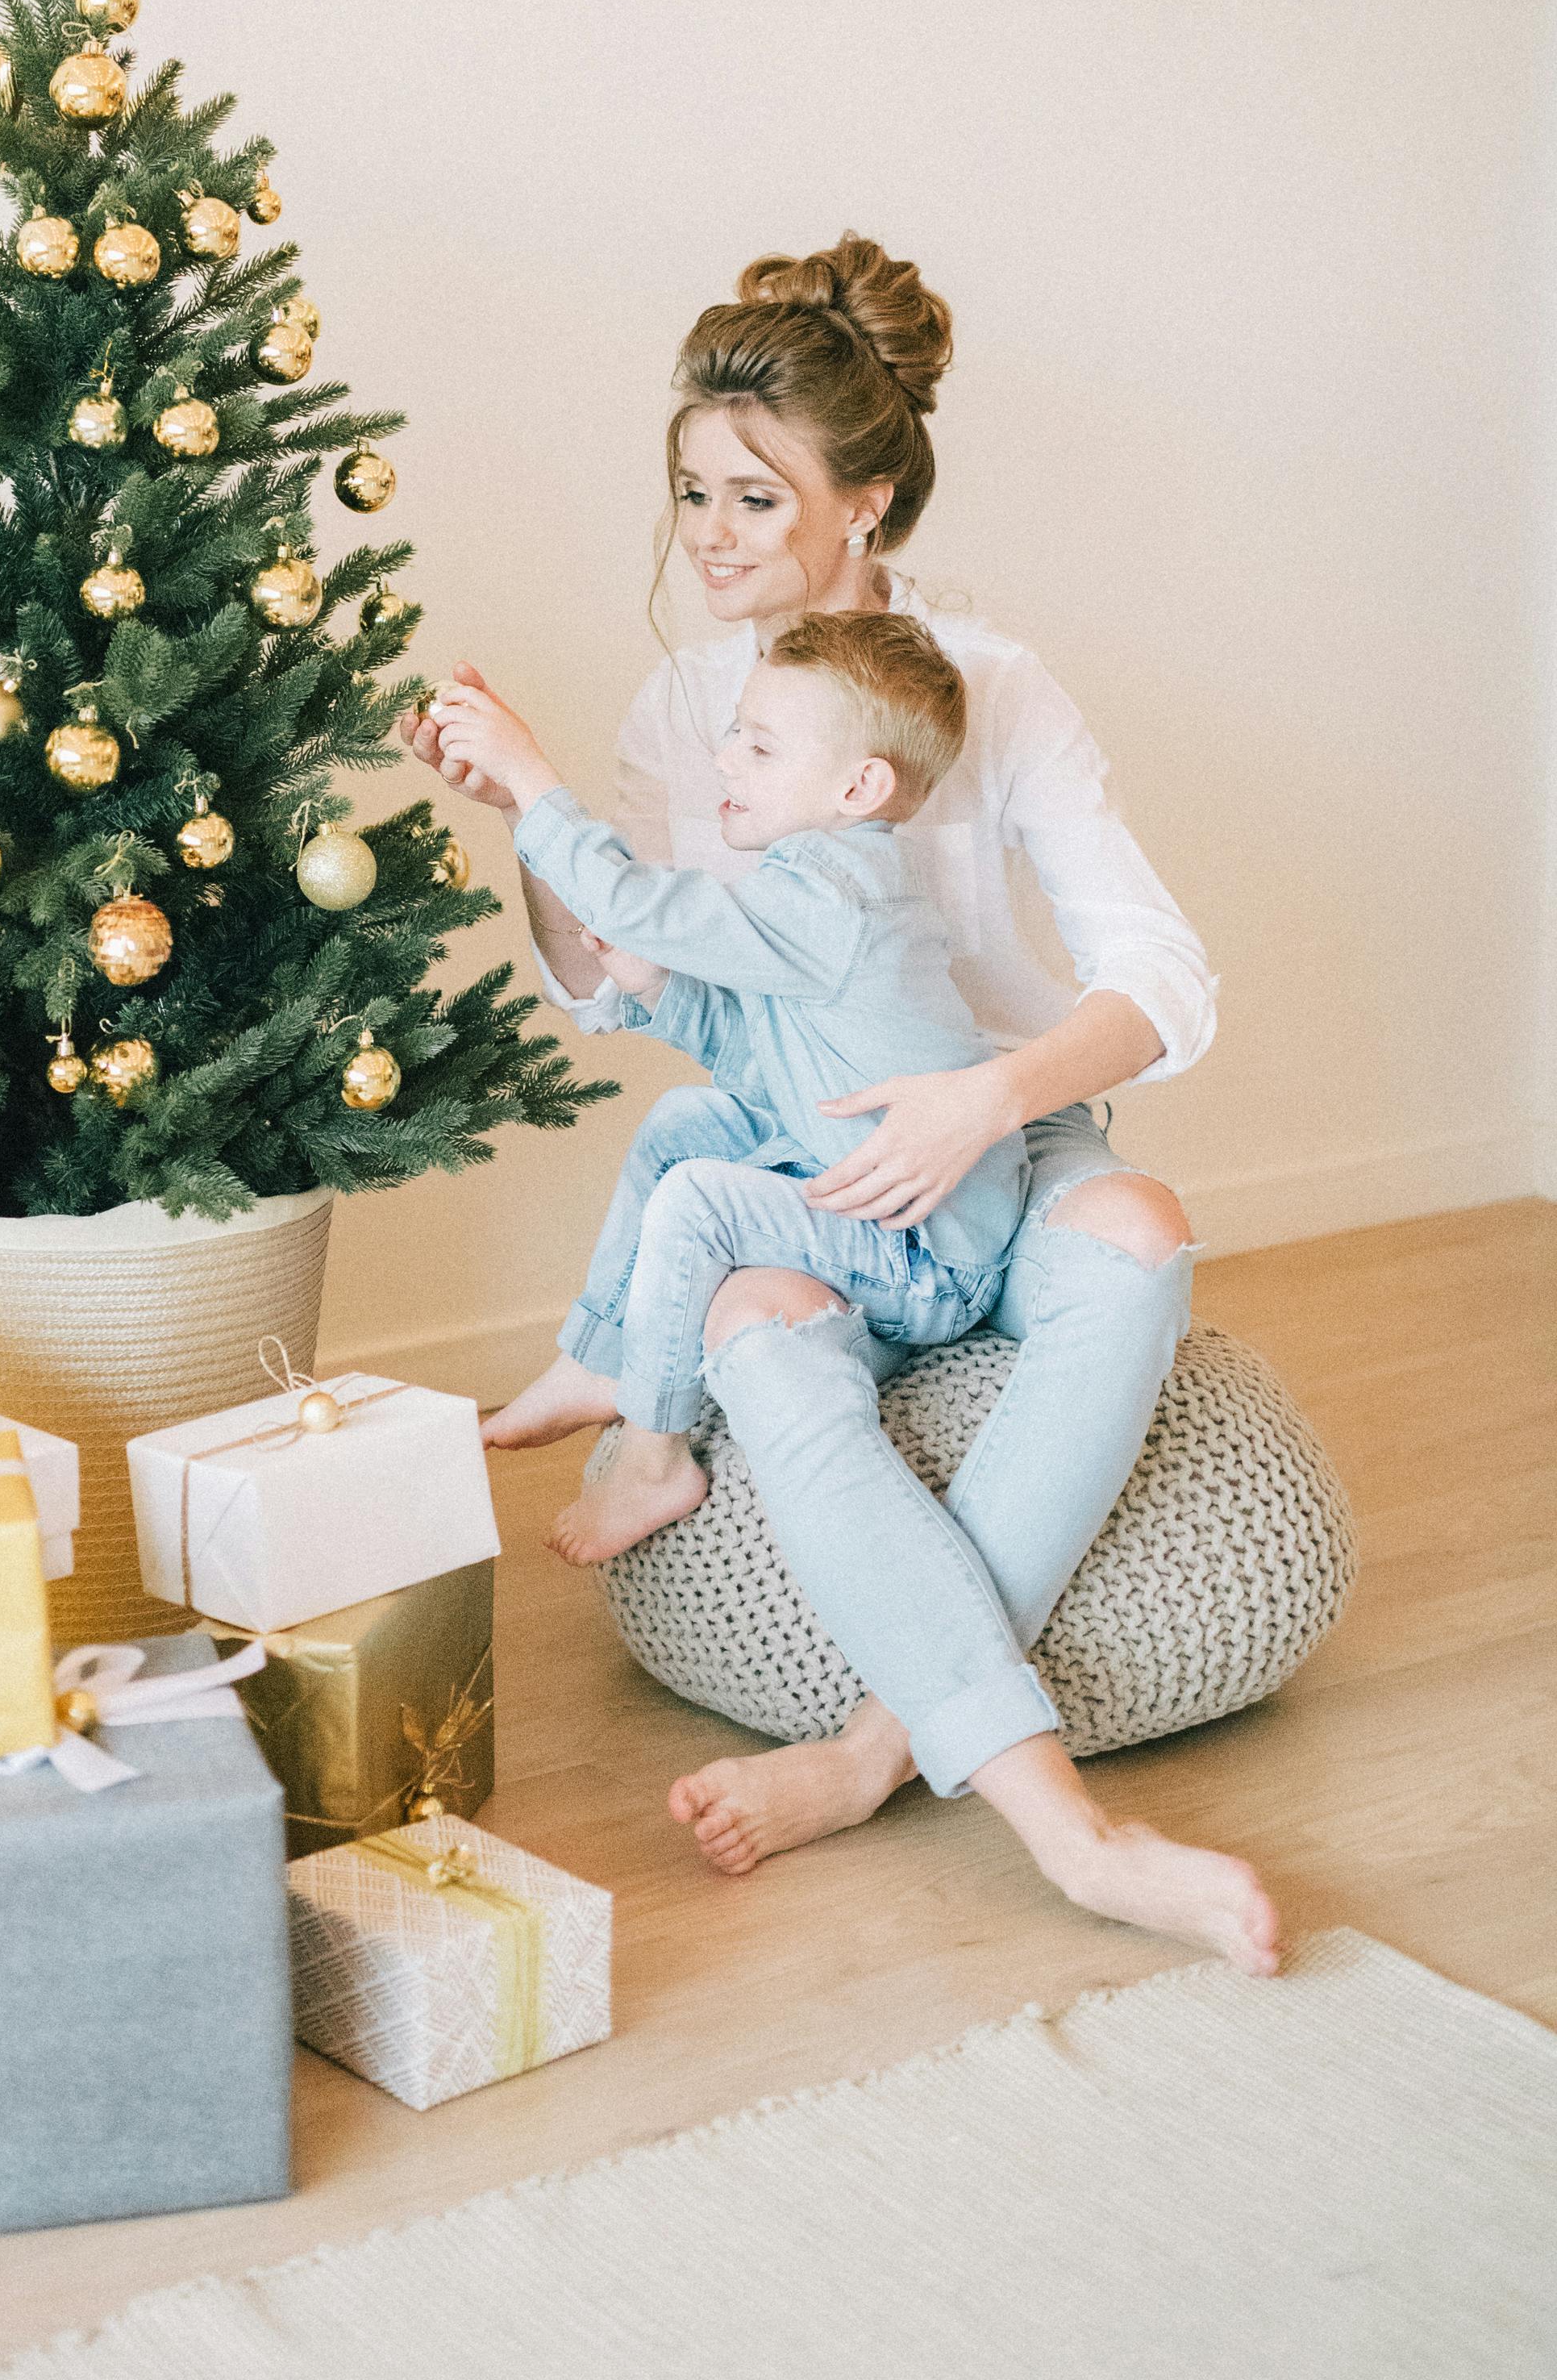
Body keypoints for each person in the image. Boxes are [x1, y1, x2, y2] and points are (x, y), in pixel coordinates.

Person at [406, 238, 1279, 1977]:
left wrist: (989, 1101)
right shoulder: (687, 703)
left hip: (1003, 1142)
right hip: (805, 1151)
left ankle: (876, 1751)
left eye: (755, 493)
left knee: (1140, 1232)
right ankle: (1045, 1803)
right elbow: (625, 983)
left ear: (869, 497)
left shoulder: (994, 686)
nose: (710, 533)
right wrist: (526, 814)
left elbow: (1163, 978)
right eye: (690, 493)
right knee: (740, 1286)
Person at [430, 611, 1031, 1572]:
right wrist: (658, 986)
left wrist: (531, 776)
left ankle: (655, 1452)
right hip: (858, 1181)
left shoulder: (835, 895)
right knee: (688, 1120)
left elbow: (632, 897)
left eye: (758, 743)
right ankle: (599, 1354)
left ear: (857, 787)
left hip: (926, 1255)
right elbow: (759, 1061)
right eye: (734, 732)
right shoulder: (818, 885)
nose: (726, 757)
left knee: (698, 1199)